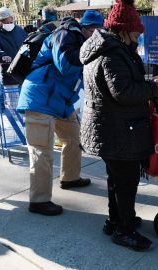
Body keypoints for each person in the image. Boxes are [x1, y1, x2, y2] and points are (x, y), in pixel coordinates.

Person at [79, 0, 158, 252]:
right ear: (124, 30)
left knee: (117, 179)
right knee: (125, 181)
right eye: (136, 32)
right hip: (116, 129)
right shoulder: (111, 53)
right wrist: (154, 88)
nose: (138, 36)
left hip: (112, 127)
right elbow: (123, 92)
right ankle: (123, 230)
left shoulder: (110, 48)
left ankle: (117, 220)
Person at [16, 12, 104, 216]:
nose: (97, 36)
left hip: (61, 101)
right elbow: (65, 65)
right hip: (39, 99)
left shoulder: (82, 39)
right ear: (84, 28)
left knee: (74, 139)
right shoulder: (64, 34)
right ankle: (38, 201)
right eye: (94, 31)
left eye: (101, 31)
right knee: (41, 151)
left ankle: (70, 178)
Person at [0, 7, 27, 89]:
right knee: (12, 101)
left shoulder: (19, 30)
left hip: (24, 73)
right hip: (8, 74)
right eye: (7, 22)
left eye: (11, 22)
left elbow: (27, 45)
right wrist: (2, 55)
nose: (10, 24)